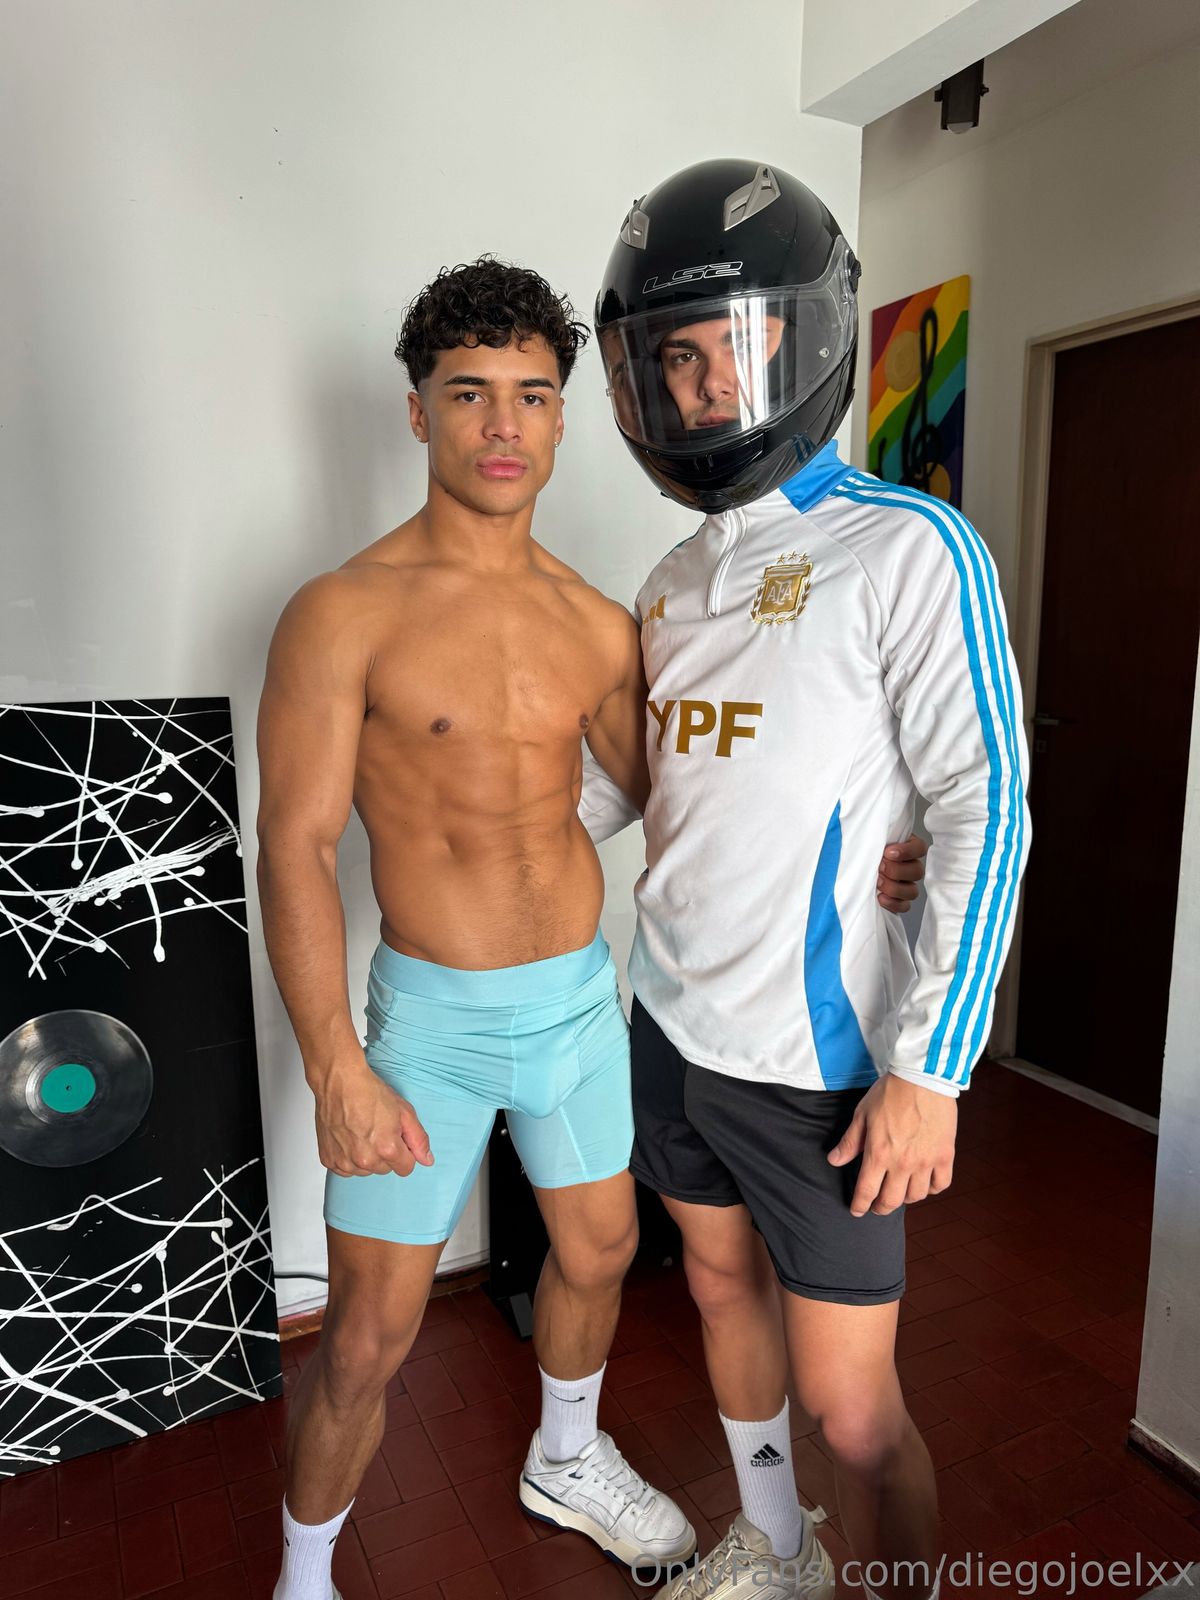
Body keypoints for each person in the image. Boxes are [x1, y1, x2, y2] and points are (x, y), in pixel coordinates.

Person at [254, 255, 927, 1600]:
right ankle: (306, 1578)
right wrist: (335, 1065)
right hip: (429, 1029)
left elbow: (692, 792)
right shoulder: (344, 612)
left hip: (578, 1009)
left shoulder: (600, 624)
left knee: (605, 1249)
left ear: (564, 417)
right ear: (418, 413)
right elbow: (294, 845)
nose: (502, 426)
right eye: (469, 395)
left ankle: (563, 1458)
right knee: (370, 1338)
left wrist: (877, 853)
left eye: (531, 395)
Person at [582, 159, 1032, 1600]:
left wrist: (932, 1069)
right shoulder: (668, 581)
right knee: (721, 1294)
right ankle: (779, 1549)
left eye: (738, 346)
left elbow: (986, 806)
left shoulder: (908, 546)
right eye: (677, 360)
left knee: (853, 1411)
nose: (709, 384)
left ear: (807, 337)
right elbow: (634, 785)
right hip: (672, 1029)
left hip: (822, 1065)